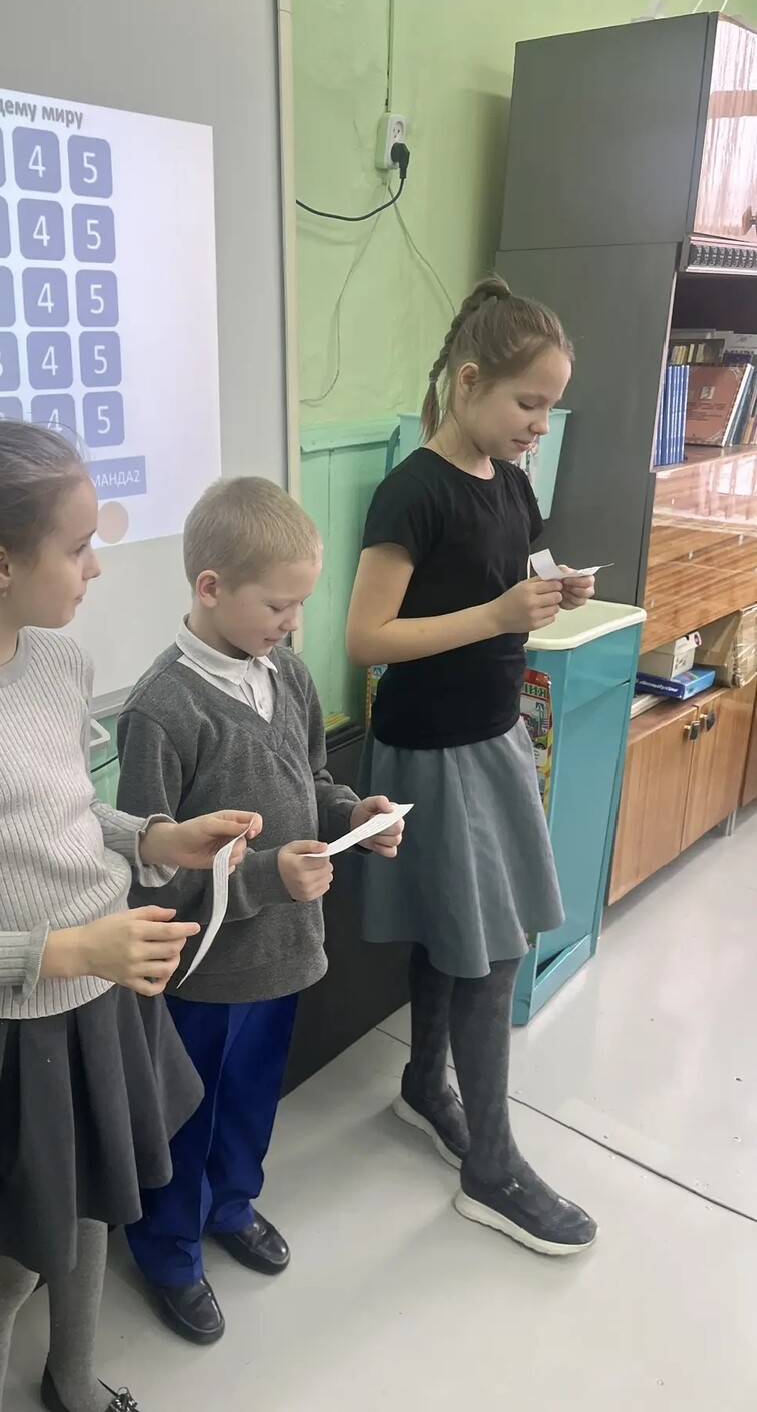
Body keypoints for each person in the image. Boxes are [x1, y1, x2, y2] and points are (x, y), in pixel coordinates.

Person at [0, 422, 263, 1412]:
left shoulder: (58, 664)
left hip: (100, 1006)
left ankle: (74, 1386)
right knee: (4, 1275)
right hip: (10, 1042)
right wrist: (75, 946)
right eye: (77, 548)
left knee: (90, 1222)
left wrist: (159, 839)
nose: (96, 566)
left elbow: (69, 813)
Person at [115, 477, 404, 1345]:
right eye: (278, 605)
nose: (292, 623)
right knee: (186, 1116)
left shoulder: (287, 672)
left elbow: (307, 780)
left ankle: (231, 1206)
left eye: (300, 604)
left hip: (282, 954)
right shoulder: (160, 710)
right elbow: (152, 879)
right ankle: (169, 1252)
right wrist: (270, 878)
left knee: (248, 1101)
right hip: (203, 977)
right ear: (210, 588)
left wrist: (350, 814)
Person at [346, 275, 598, 1256]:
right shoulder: (412, 492)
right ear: (466, 382)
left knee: (463, 933)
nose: (539, 424)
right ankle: (489, 1170)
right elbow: (368, 637)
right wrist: (494, 617)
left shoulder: (511, 481)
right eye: (527, 403)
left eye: (550, 407)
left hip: (494, 737)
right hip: (432, 750)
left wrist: (554, 588)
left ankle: (422, 1083)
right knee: (488, 953)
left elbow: (515, 573)